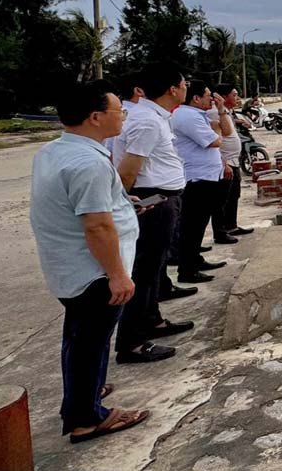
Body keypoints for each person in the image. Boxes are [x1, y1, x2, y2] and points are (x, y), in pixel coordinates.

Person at [29, 79, 150, 442]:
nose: (124, 117)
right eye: (119, 111)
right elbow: (96, 226)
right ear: (96, 117)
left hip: (70, 267)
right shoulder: (87, 163)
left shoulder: (55, 151)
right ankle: (86, 417)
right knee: (90, 342)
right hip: (93, 271)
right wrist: (116, 275)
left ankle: (83, 395)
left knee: (79, 338)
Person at [114, 65, 196, 364]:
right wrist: (126, 207)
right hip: (153, 200)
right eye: (184, 83)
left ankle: (151, 320)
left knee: (154, 267)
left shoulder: (153, 118)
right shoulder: (147, 121)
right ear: (172, 89)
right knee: (145, 272)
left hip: (162, 198)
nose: (186, 87)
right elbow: (127, 172)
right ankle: (132, 342)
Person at [172, 81, 231, 283]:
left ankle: (195, 260)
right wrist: (217, 131)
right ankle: (187, 270)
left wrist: (220, 113)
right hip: (197, 179)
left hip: (205, 177)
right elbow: (215, 141)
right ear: (196, 98)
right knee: (192, 227)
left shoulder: (196, 115)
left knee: (198, 225)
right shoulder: (188, 116)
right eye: (208, 96)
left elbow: (224, 133)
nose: (211, 100)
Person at [209, 84, 253, 243]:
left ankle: (231, 225)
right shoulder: (214, 113)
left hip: (233, 161)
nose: (237, 98)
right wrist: (223, 163)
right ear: (223, 97)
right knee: (222, 199)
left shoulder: (226, 112)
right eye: (234, 95)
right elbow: (216, 140)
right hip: (225, 161)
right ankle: (220, 232)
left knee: (233, 195)